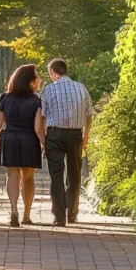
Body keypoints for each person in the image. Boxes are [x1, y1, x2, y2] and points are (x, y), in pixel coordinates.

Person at [0, 64, 45, 228]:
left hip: (10, 138)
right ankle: (26, 214)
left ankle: (13, 210)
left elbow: (0, 121)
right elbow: (38, 128)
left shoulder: (5, 98)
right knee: (28, 178)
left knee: (12, 175)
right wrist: (45, 144)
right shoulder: (36, 100)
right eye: (37, 77)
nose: (39, 79)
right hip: (29, 140)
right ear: (31, 81)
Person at [41, 58, 92, 227]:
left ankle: (59, 217)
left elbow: (41, 116)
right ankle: (72, 212)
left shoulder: (48, 90)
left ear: (53, 73)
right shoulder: (81, 88)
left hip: (54, 135)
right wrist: (86, 136)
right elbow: (89, 114)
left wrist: (43, 141)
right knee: (74, 174)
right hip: (75, 135)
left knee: (56, 175)